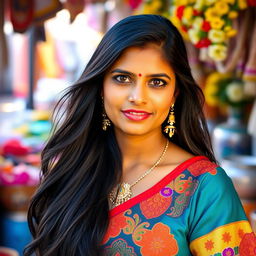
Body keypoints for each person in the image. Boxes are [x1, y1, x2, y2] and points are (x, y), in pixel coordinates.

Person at [24, 15, 256, 256]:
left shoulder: (205, 188)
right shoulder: (74, 167)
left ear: (174, 94)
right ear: (101, 87)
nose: (138, 96)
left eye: (157, 82)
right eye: (122, 79)